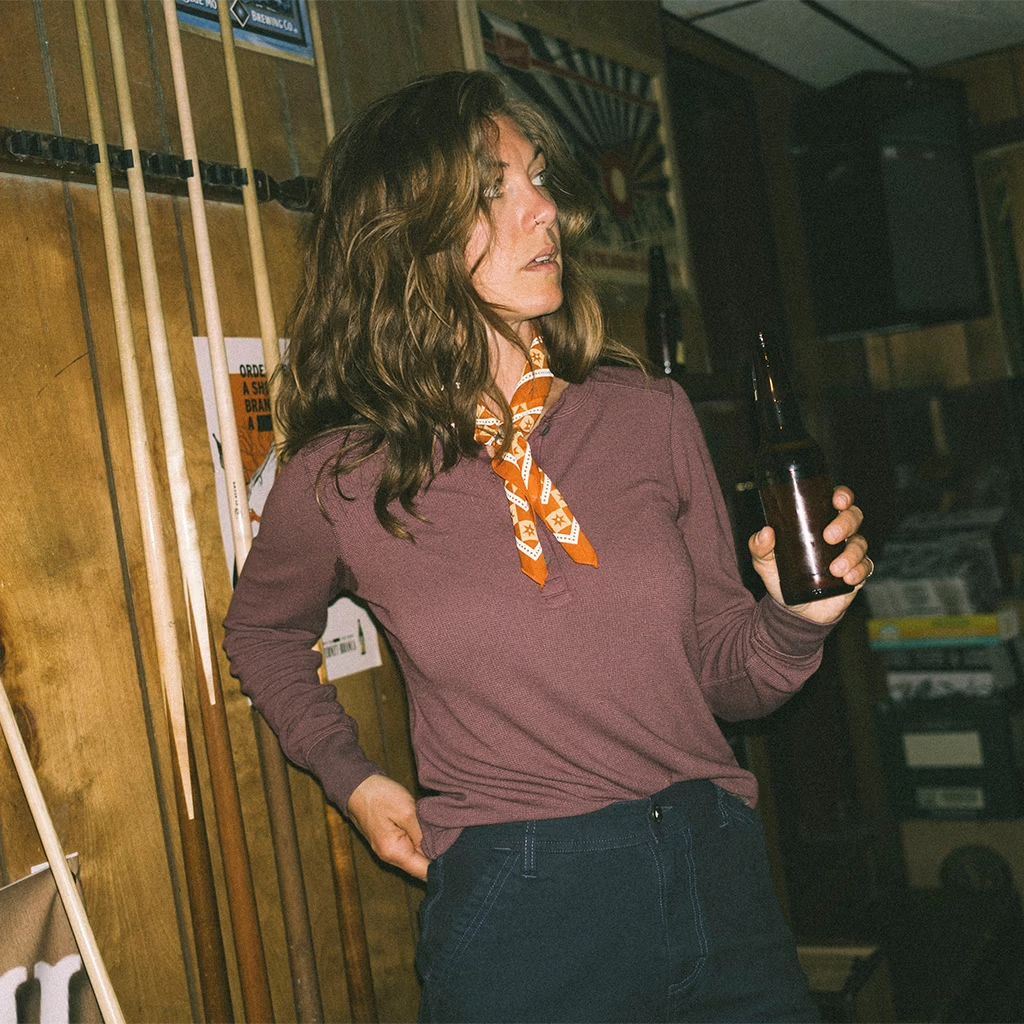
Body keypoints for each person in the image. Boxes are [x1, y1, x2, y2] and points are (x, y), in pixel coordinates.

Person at [223, 70, 872, 1024]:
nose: (547, 211)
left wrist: (796, 622)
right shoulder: (342, 473)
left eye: (539, 179)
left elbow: (725, 675)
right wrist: (351, 779)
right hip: (524, 902)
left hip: (718, 871)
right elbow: (262, 634)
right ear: (404, 238)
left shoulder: (648, 413)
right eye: (496, 190)